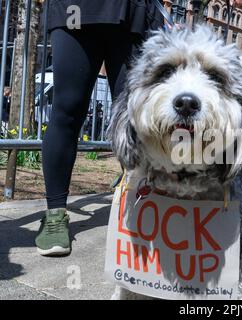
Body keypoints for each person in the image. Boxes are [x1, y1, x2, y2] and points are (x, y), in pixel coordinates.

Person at [35, 0, 164, 256]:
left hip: (132, 13)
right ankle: (55, 214)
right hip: (75, 9)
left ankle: (143, 207)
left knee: (135, 115)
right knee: (68, 108)